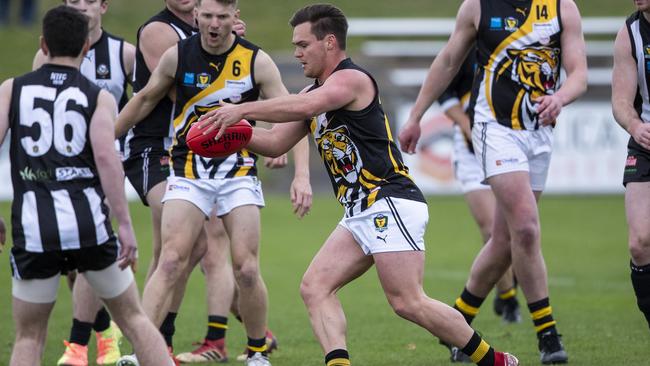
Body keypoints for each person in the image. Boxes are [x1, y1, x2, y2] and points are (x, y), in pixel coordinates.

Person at [198, 4, 519, 366]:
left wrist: (241, 110)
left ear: (330, 42)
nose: (297, 53)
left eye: (303, 45)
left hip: (389, 200)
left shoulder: (352, 80)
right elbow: (274, 143)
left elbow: (308, 106)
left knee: (407, 301)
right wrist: (231, 132)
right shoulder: (310, 94)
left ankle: (495, 361)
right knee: (315, 287)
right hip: (360, 210)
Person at [114, 1, 311, 365]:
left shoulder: (256, 60)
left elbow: (294, 112)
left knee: (247, 268)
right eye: (207, 16)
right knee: (171, 260)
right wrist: (103, 144)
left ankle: (256, 353)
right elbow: (142, 101)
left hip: (238, 174)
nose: (214, 24)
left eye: (223, 17)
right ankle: (143, 353)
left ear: (235, 17)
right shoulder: (177, 56)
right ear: (197, 17)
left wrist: (301, 174)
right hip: (189, 171)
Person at [398, 0, 587, 363]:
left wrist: (560, 98)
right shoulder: (477, 7)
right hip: (493, 128)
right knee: (527, 228)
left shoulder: (563, 7)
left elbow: (578, 72)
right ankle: (548, 335)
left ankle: (459, 320)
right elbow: (449, 61)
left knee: (504, 240)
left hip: (539, 131)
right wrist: (416, 115)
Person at [0, 5, 174, 366]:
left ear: (42, 44)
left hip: (34, 228)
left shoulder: (11, 89)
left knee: (30, 336)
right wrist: (124, 225)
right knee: (136, 320)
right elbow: (108, 160)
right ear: (85, 48)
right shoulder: (98, 97)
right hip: (88, 225)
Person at [33, 1, 134, 364]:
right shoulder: (43, 58)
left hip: (106, 169)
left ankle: (78, 346)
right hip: (62, 174)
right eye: (72, 0)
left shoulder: (125, 54)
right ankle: (107, 331)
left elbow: (149, 101)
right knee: (73, 265)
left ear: (103, 6)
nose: (80, 6)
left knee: (91, 253)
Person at [437, 51, 521, 328]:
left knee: (512, 230)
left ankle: (506, 288)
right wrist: (466, 125)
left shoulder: (514, 48)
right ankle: (508, 297)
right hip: (471, 151)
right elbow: (444, 94)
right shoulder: (465, 52)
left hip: (509, 145)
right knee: (490, 228)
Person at [612, 0, 650, 331]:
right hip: (646, 141)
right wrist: (635, 125)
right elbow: (621, 101)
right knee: (640, 242)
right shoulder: (629, 33)